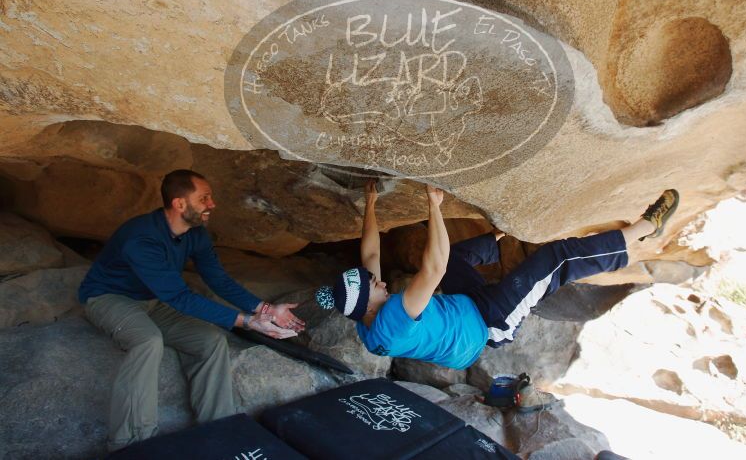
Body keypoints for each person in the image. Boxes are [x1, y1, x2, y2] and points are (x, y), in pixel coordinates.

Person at [316, 180, 679, 370]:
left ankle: (496, 240)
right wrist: (434, 205)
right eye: (374, 285)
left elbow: (371, 253)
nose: (379, 281)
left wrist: (372, 203)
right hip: (488, 324)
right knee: (556, 258)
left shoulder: (365, 312)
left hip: (463, 308)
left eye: (372, 279)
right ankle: (643, 229)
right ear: (369, 305)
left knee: (456, 257)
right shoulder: (391, 322)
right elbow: (433, 267)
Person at [78, 169, 305, 451]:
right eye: (204, 198)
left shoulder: (195, 234)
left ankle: (220, 429)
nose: (212, 204)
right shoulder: (141, 237)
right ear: (179, 203)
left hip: (155, 301)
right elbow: (180, 297)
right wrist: (247, 322)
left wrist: (265, 310)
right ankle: (132, 443)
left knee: (211, 341)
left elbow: (217, 279)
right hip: (110, 298)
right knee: (148, 341)